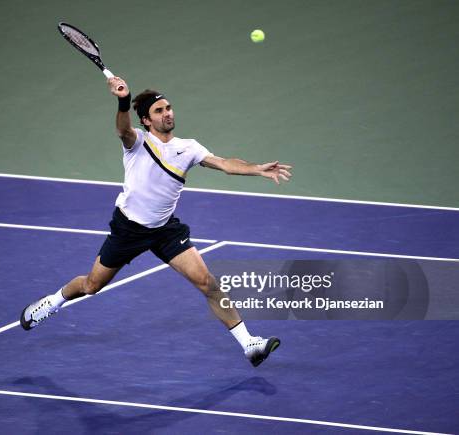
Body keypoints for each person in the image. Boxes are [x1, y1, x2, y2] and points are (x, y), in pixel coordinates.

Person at [20, 77, 292, 367]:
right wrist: (123, 101)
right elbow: (122, 129)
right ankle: (53, 301)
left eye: (169, 108)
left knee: (208, 283)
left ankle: (249, 343)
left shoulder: (188, 148)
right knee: (91, 285)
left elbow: (225, 164)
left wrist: (256, 169)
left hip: (165, 230)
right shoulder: (137, 142)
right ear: (147, 121)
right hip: (128, 229)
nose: (168, 113)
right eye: (160, 111)